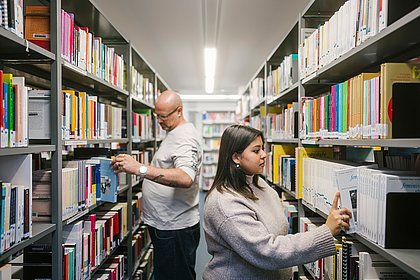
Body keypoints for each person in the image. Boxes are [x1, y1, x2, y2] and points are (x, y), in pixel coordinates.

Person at [203, 124, 352, 280]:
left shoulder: (260, 185)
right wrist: (326, 231)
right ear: (236, 157)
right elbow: (267, 251)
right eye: (256, 151)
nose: (264, 155)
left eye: (262, 148)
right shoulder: (225, 202)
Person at [113, 90, 203, 280]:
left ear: (179, 111)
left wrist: (140, 169)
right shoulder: (175, 132)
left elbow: (186, 177)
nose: (159, 121)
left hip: (175, 228)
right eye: (157, 116)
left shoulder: (185, 137)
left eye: (163, 116)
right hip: (168, 224)